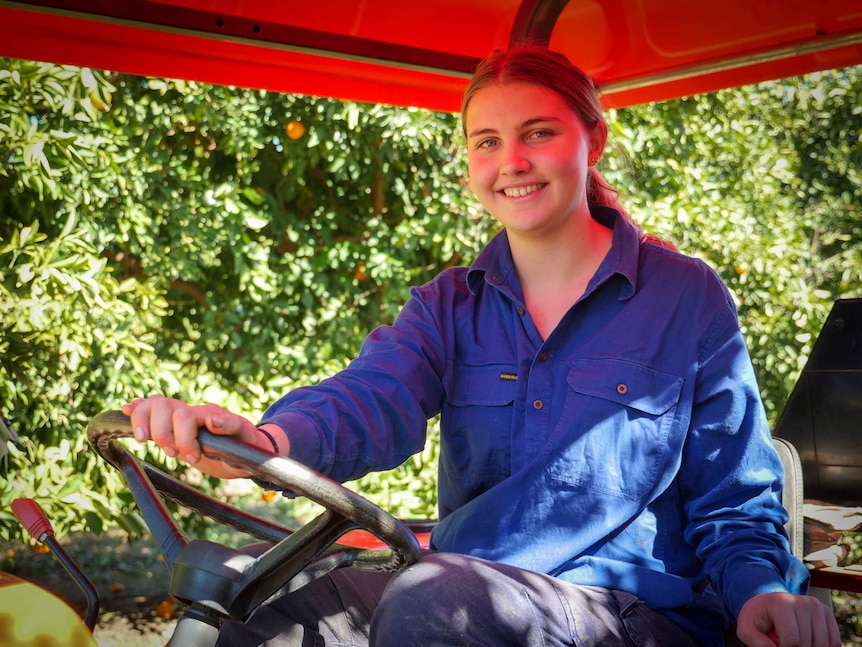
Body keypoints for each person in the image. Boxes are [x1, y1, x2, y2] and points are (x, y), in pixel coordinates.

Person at [124, 46, 840, 647]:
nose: (512, 162)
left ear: (596, 139)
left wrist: (761, 591)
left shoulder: (683, 296)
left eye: (538, 133)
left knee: (437, 599)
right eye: (487, 142)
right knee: (250, 588)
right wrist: (266, 436)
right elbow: (371, 396)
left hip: (630, 611)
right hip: (475, 587)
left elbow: (735, 497)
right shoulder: (449, 304)